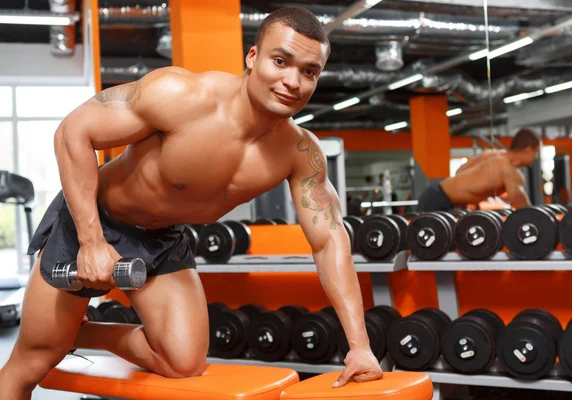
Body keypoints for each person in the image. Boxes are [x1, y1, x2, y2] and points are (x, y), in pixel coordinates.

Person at [0, 7, 383, 399]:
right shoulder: (180, 95)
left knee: (183, 363)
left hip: (163, 239)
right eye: (281, 61)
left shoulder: (300, 152)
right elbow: (72, 132)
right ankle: (56, 339)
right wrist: (92, 242)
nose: (292, 81)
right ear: (253, 58)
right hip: (94, 218)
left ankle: (83, 332)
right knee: (32, 363)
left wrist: (360, 347)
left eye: (309, 71)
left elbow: (329, 240)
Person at [416, 129, 541, 212]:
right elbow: (523, 209)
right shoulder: (511, 172)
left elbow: (460, 171)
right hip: (439, 203)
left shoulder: (491, 154)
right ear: (528, 150)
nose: (535, 157)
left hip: (433, 194)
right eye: (536, 152)